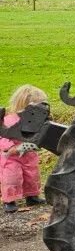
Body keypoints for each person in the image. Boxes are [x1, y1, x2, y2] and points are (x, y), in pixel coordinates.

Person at [1, 85, 47, 214]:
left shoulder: (36, 122)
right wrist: (10, 148)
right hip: (11, 157)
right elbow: (2, 136)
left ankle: (32, 196)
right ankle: (9, 200)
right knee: (12, 177)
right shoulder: (9, 120)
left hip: (28, 155)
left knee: (32, 175)